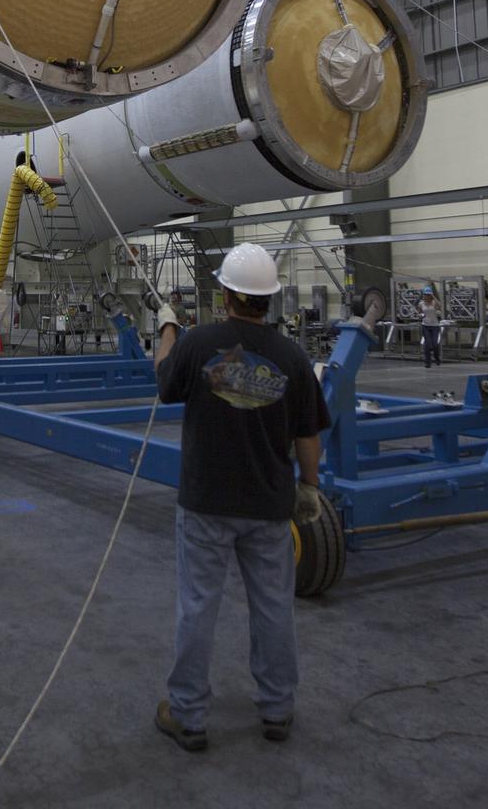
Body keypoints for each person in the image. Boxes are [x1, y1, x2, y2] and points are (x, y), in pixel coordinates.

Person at [153, 243, 331, 752]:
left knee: (197, 608)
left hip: (206, 503)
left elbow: (165, 386)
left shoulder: (197, 341)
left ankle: (187, 714)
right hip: (269, 506)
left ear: (226, 293)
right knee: (274, 607)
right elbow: (308, 435)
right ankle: (277, 709)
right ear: (269, 299)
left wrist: (167, 328)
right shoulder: (293, 357)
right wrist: (310, 489)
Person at [418, 285, 441, 368]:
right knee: (427, 344)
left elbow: (440, 306)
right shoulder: (421, 303)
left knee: (435, 344)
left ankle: (437, 358)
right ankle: (428, 362)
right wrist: (420, 315)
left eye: (428, 295)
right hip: (425, 326)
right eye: (425, 295)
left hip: (434, 325)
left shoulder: (434, 302)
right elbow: (419, 313)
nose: (427, 296)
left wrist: (434, 297)